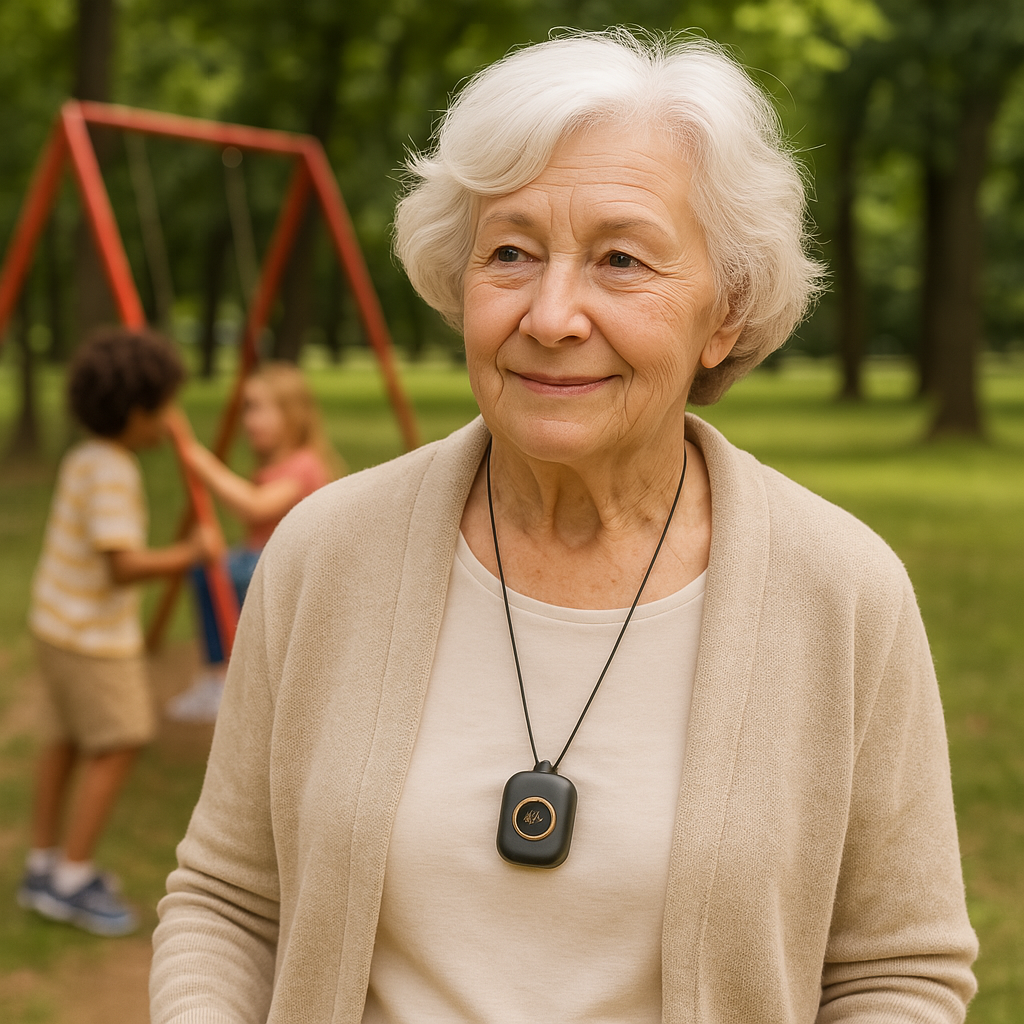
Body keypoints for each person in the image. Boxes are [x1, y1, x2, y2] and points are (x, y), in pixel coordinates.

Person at [151, 30, 978, 1023]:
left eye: (620, 260)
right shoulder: (324, 553)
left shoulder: (845, 592)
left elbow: (898, 972)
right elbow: (228, 902)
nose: (550, 314)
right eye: (510, 253)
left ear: (728, 309)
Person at [18, 327, 220, 937]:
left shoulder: (83, 453)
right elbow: (121, 564)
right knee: (124, 737)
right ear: (137, 413)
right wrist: (190, 552)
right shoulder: (113, 470)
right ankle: (72, 880)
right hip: (91, 638)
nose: (171, 422)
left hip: (55, 624)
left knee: (67, 738)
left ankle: (43, 862)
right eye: (165, 408)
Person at [165, 362, 339, 722]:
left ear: (291, 415)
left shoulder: (304, 465)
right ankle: (224, 674)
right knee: (209, 570)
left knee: (222, 574)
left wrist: (200, 461)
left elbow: (256, 507)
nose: (248, 420)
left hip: (297, 573)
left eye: (258, 408)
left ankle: (225, 678)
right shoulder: (277, 464)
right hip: (269, 562)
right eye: (246, 408)